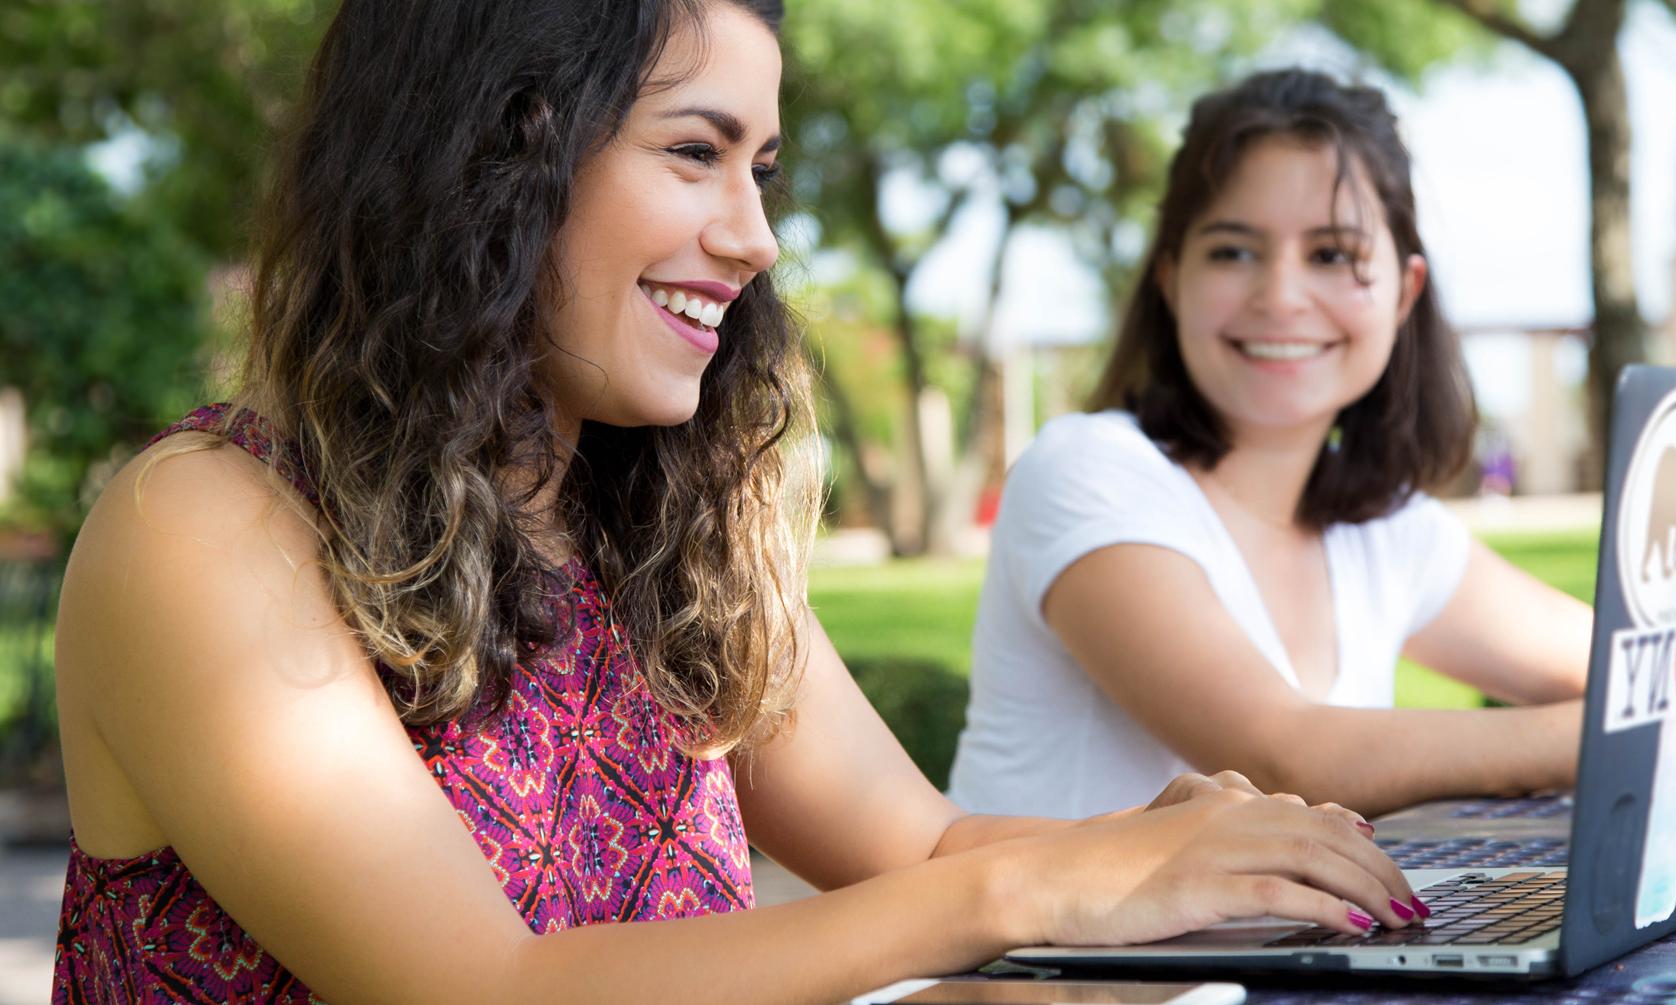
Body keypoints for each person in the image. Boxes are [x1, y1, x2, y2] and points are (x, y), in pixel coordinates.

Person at [49, 7, 1425, 1001]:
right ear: (500, 155)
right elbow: (484, 988)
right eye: (695, 152)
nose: (755, 237)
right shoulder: (207, 525)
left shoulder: (649, 526)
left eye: (758, 170)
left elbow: (920, 840)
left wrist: (1184, 858)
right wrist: (1036, 892)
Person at [948, 70, 1676, 823]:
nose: (1281, 296)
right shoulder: (1086, 473)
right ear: (1170, 277)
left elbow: (1628, 655)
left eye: (1333, 254)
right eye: (1231, 252)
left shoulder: (1384, 530)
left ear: (1402, 289)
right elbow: (1286, 753)